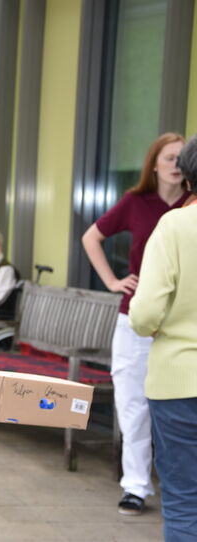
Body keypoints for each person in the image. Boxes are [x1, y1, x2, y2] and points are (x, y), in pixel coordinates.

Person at [81, 132, 188, 515]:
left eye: (181, 158)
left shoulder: (191, 206)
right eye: (168, 157)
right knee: (133, 404)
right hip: (135, 317)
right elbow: (91, 237)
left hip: (180, 325)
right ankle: (137, 486)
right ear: (154, 163)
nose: (175, 164)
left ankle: (175, 483)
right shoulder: (135, 202)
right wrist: (112, 281)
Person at [129, 134, 197, 541]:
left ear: (187, 174)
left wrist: (154, 325)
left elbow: (145, 313)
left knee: (184, 500)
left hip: (178, 382)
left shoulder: (174, 225)